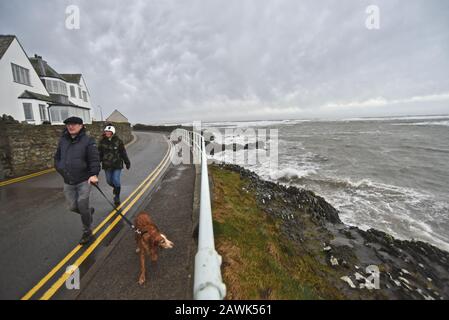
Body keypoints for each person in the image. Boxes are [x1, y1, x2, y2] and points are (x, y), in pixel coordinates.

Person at [54, 116, 100, 245]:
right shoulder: (63, 140)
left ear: (81, 126)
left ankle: (87, 232)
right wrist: (60, 168)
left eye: (74, 124)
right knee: (73, 207)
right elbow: (57, 157)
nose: (70, 126)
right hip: (68, 180)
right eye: (68, 124)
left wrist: (94, 174)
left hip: (83, 180)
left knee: (81, 204)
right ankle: (87, 212)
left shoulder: (88, 140)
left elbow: (94, 159)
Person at [98, 124, 131, 206]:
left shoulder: (118, 141)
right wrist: (96, 163)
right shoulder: (102, 142)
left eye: (109, 131)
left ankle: (117, 196)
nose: (107, 133)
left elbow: (123, 152)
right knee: (109, 181)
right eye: (106, 131)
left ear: (113, 132)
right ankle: (116, 188)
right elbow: (99, 154)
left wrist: (127, 162)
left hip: (117, 165)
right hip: (107, 165)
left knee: (116, 180)